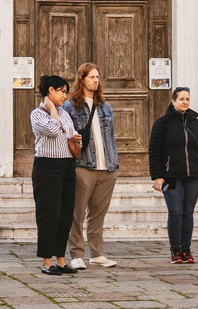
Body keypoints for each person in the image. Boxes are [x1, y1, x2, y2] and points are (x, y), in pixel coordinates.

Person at [149, 87, 198, 264]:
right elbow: (154, 151)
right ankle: (175, 251)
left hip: (193, 176)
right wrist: (157, 176)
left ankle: (186, 251)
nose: (185, 102)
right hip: (171, 175)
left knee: (188, 213)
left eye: (187, 99)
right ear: (173, 101)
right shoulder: (162, 123)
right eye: (181, 99)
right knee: (175, 212)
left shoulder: (196, 123)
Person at [63, 63, 119, 269]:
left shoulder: (105, 106)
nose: (96, 80)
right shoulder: (70, 106)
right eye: (91, 77)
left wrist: (114, 163)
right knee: (77, 214)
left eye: (98, 77)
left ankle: (97, 253)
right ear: (82, 79)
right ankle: (76, 254)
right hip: (83, 166)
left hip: (107, 168)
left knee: (98, 214)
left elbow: (111, 137)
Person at [30, 75, 82, 275]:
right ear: (50, 90)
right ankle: (46, 261)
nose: (65, 96)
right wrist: (52, 110)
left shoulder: (65, 113)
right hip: (47, 167)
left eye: (66, 92)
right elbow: (52, 130)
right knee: (48, 215)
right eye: (62, 91)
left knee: (65, 214)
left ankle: (60, 260)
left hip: (67, 166)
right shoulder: (38, 114)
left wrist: (77, 138)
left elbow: (72, 135)